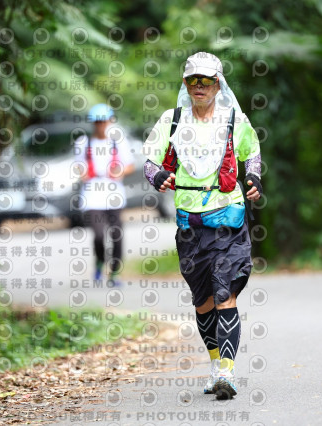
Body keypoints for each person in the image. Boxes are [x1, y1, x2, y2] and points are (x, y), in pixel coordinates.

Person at [142, 52, 263, 399]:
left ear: (217, 84)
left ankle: (227, 371)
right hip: (190, 224)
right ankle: (214, 365)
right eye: (193, 79)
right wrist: (157, 176)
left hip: (228, 217)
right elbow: (150, 160)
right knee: (203, 301)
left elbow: (251, 152)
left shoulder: (233, 119)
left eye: (206, 80)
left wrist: (253, 176)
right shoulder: (172, 120)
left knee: (225, 294)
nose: (199, 86)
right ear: (185, 83)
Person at [74, 104, 135, 287]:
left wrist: (120, 172)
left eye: (103, 121)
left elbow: (130, 165)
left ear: (109, 121)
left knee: (116, 234)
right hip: (92, 194)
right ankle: (100, 262)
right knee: (99, 234)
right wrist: (82, 173)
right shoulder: (84, 143)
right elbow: (78, 165)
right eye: (97, 122)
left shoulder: (118, 141)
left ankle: (115, 272)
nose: (101, 125)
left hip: (114, 193)